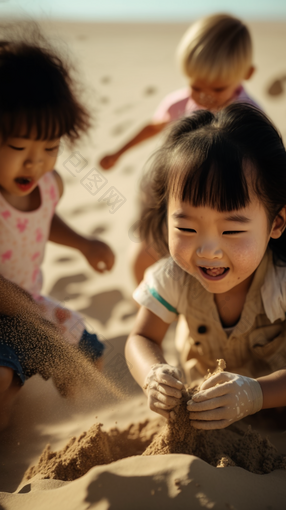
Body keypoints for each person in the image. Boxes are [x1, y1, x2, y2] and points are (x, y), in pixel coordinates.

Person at [125, 103, 286, 435]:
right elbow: (141, 337)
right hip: (204, 397)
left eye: (232, 231)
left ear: (276, 221)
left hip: (279, 394)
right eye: (187, 229)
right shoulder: (173, 276)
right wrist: (153, 372)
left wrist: (256, 394)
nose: (208, 250)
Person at [0, 31, 115, 427]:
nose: (36, 164)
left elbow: (43, 218)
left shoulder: (47, 185)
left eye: (50, 149)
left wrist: (84, 243)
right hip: (7, 310)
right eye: (20, 150)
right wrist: (30, 315)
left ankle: (80, 426)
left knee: (89, 356)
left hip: (31, 303)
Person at [99, 13, 259, 283]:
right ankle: (146, 305)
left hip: (214, 202)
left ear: (247, 74)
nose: (204, 95)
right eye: (196, 86)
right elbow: (153, 126)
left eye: (217, 88)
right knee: (145, 251)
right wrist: (119, 152)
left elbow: (266, 162)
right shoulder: (182, 102)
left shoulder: (249, 115)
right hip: (163, 191)